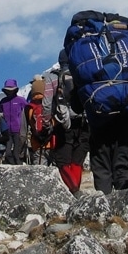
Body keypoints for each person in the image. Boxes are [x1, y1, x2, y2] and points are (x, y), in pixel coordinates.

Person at [50, 53, 90, 193]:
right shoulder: (83, 72)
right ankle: (76, 189)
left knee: (63, 161)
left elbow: (47, 103)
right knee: (77, 160)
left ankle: (73, 190)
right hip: (83, 123)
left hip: (63, 123)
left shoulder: (54, 77)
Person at [0, 78, 28, 164]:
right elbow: (0, 113)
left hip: (18, 130)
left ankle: (18, 166)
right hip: (7, 131)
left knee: (16, 152)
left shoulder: (21, 100)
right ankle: (13, 165)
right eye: (8, 90)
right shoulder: (3, 101)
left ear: (15, 90)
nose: (9, 92)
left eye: (11, 90)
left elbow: (27, 112)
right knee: (7, 152)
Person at [24, 84, 52, 165]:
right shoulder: (50, 104)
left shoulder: (29, 107)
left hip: (37, 143)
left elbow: (26, 127)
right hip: (51, 143)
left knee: (40, 170)